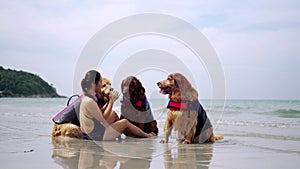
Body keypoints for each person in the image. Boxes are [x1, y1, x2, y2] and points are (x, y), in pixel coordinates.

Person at [79, 70, 156, 141]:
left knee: (113, 114)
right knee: (125, 122)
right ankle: (146, 135)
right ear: (93, 84)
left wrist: (109, 101)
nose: (102, 84)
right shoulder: (90, 101)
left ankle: (121, 132)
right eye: (100, 82)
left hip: (90, 132)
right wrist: (112, 102)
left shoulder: (86, 97)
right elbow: (103, 119)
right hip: (96, 136)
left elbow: (99, 114)